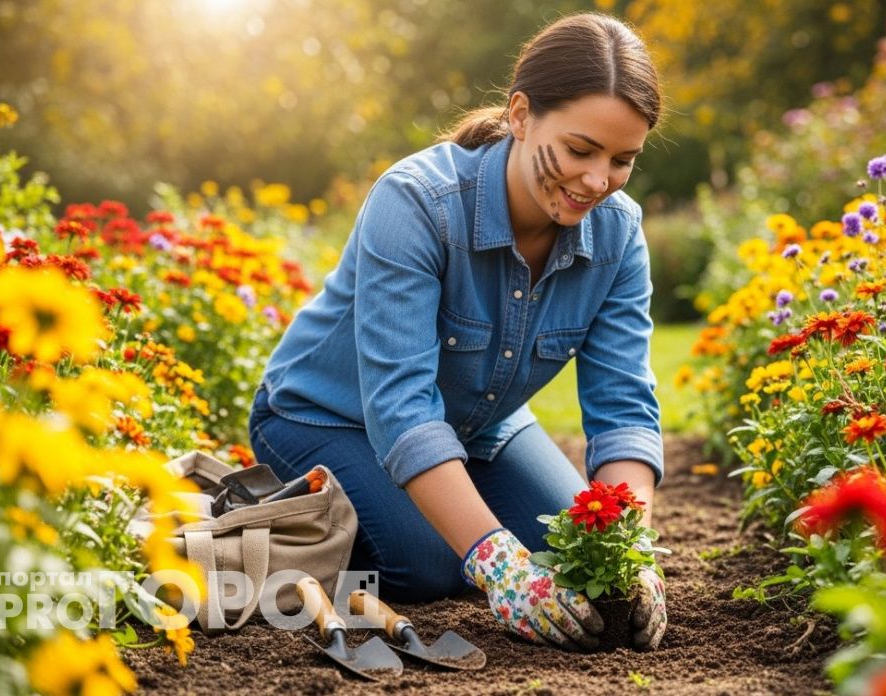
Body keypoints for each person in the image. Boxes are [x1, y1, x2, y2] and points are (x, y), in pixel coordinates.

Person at [248, 12, 667, 652]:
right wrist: (497, 563)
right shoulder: (417, 203)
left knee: (573, 550)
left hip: (481, 426)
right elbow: (401, 404)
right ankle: (272, 520)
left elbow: (623, 405)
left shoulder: (617, 233)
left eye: (622, 160)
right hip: (326, 415)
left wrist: (626, 545)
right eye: (581, 150)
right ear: (521, 115)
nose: (596, 181)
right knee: (430, 565)